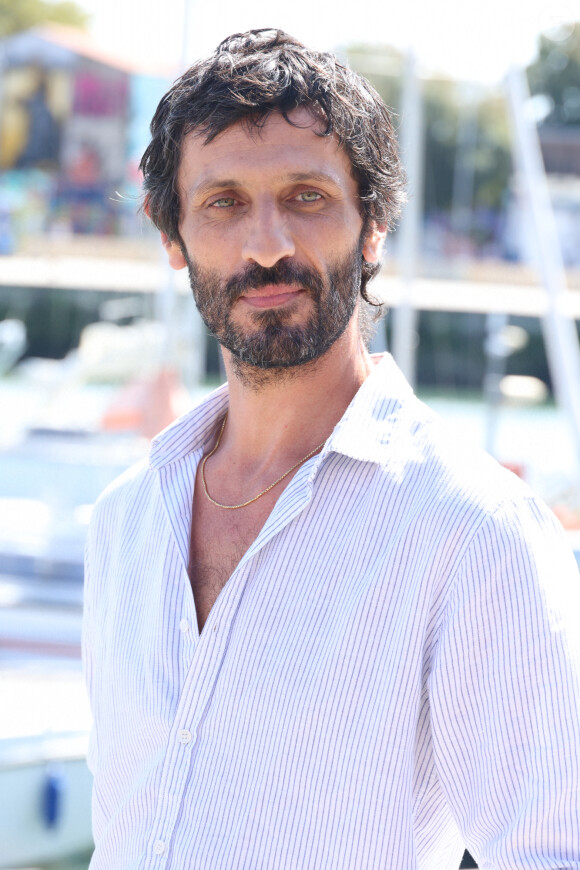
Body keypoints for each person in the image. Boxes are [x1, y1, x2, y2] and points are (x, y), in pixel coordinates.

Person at [83, 28, 580, 870]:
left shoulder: (471, 529)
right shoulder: (126, 518)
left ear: (374, 223)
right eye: (223, 203)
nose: (266, 243)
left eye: (306, 196)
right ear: (173, 238)